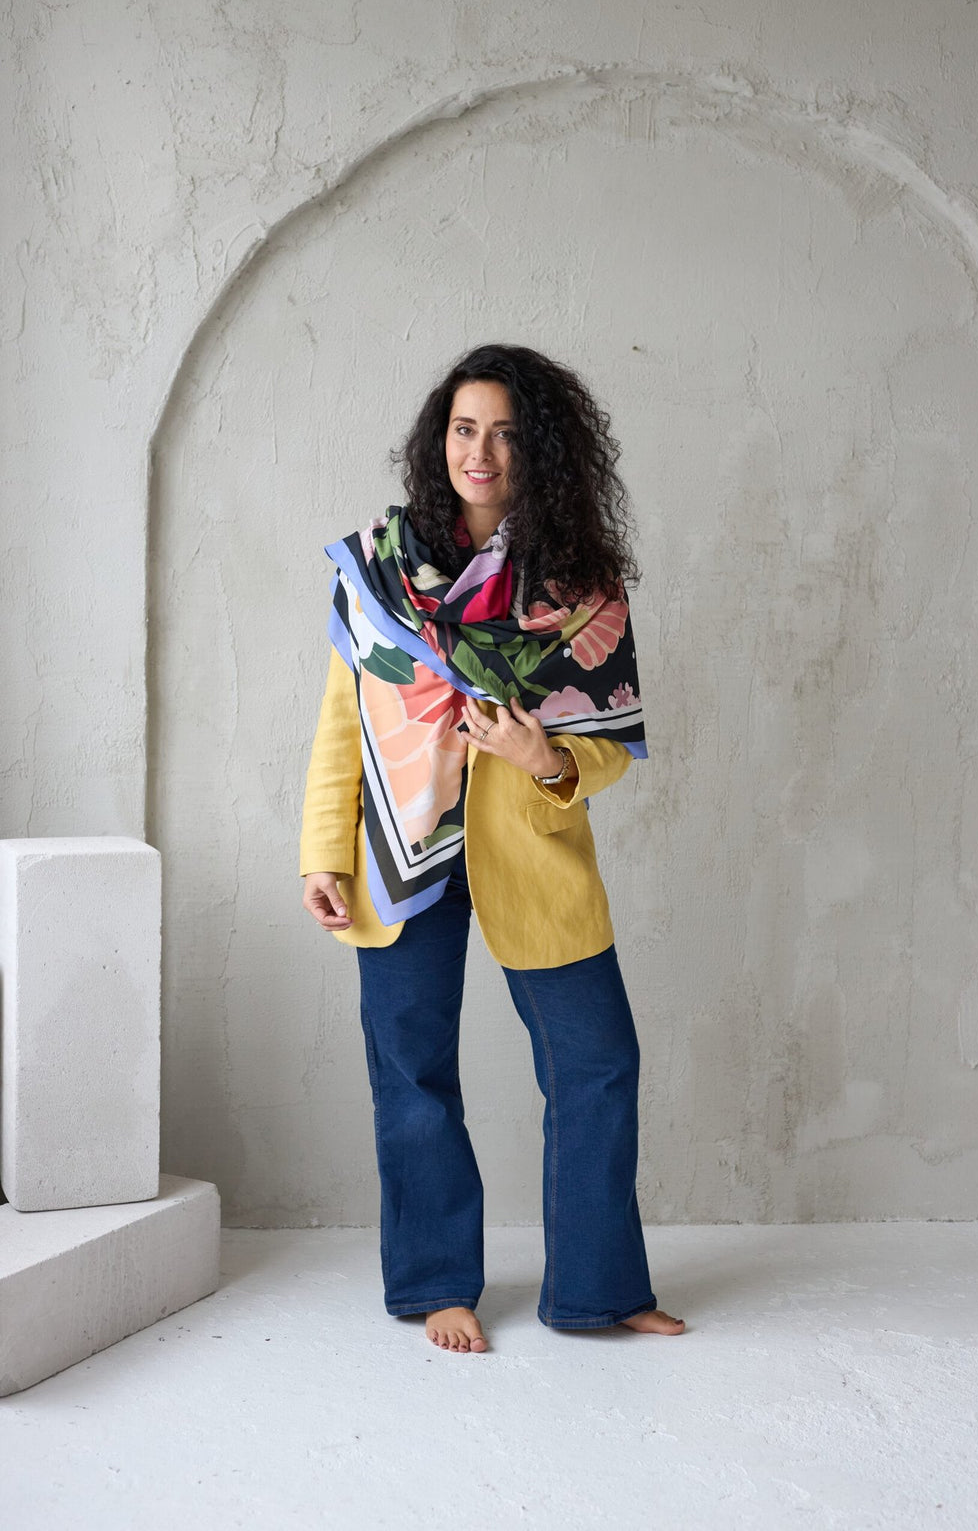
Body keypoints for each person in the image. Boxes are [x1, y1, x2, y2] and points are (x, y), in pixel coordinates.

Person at [300, 343, 685, 1354]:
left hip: (533, 854)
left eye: (507, 434)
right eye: (465, 429)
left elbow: (610, 742)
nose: (481, 451)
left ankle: (599, 1288)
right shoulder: (379, 569)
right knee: (411, 1068)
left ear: (538, 450)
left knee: (597, 1061)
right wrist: (321, 853)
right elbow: (344, 723)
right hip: (399, 847)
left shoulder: (581, 585)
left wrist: (544, 756)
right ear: (441, 440)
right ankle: (437, 1282)